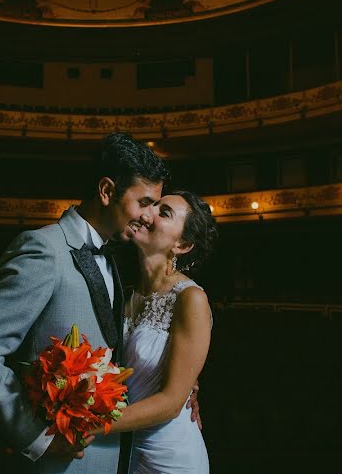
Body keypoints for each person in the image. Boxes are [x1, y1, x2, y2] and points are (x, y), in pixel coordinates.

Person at [0, 133, 199, 473]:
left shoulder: (115, 260)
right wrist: (37, 436)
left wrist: (182, 384)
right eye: (143, 202)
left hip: (121, 459)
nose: (148, 217)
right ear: (106, 191)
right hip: (60, 463)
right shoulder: (44, 249)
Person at [88, 190, 217, 473]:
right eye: (151, 206)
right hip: (124, 452)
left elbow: (171, 403)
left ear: (182, 244)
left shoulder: (190, 298)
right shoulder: (122, 294)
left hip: (171, 456)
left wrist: (88, 424)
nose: (147, 214)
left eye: (164, 212)